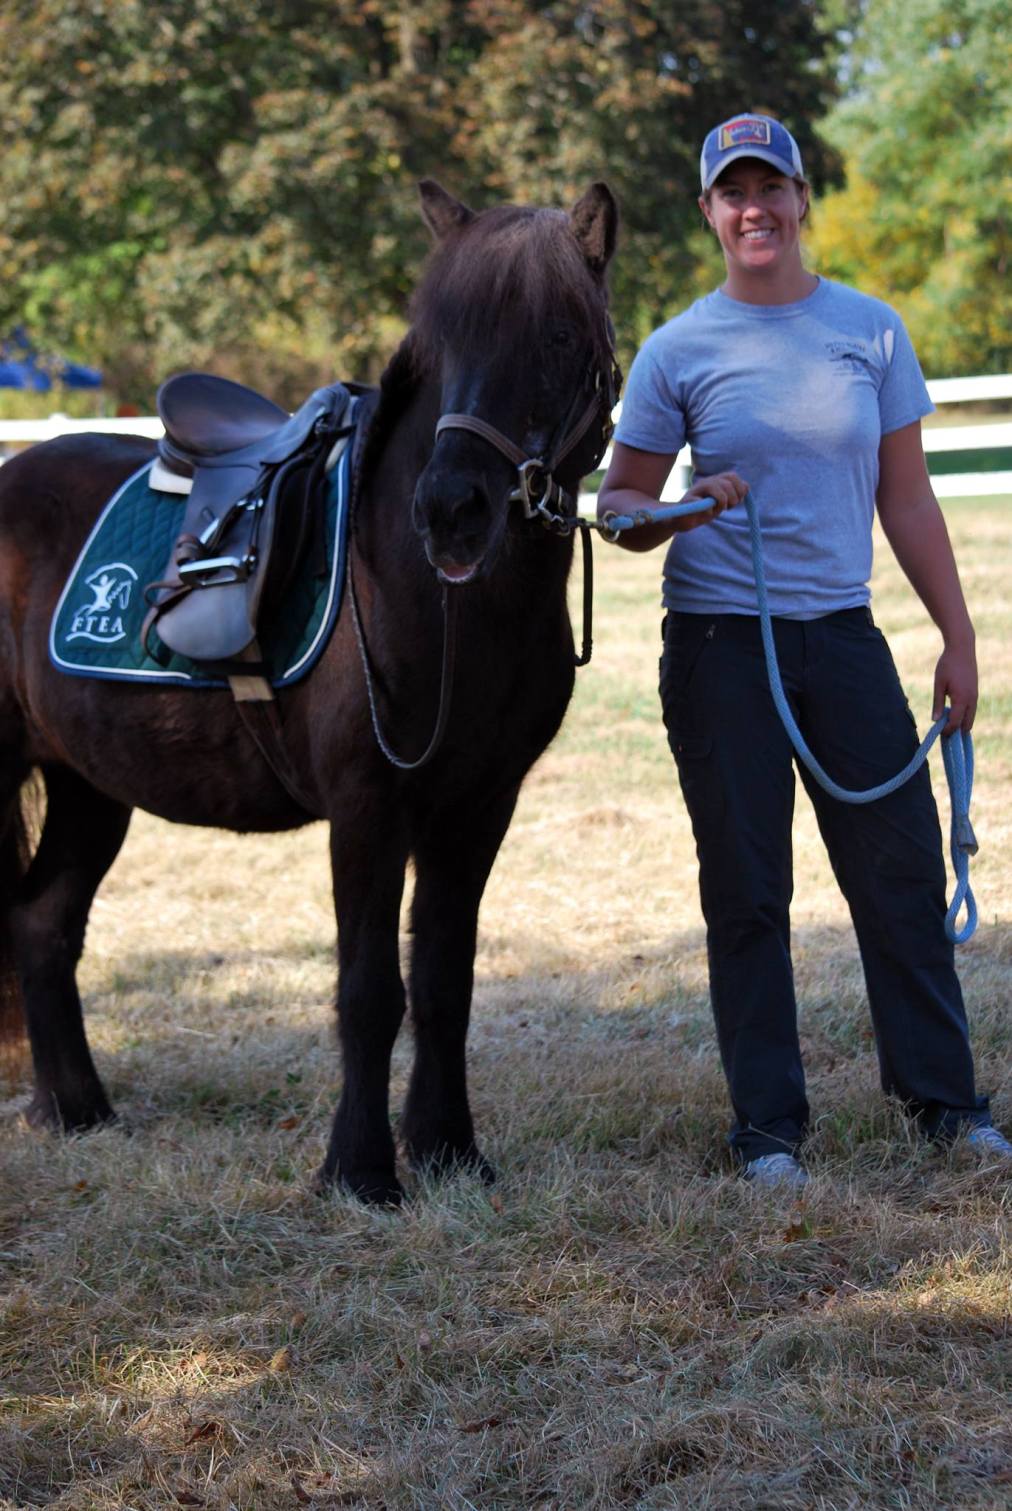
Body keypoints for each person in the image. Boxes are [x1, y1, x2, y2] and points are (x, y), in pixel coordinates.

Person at [598, 113, 1011, 1191]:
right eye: (731, 193)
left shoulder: (869, 330)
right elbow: (619, 508)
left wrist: (958, 639)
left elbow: (906, 497)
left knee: (902, 873)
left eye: (769, 188)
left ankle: (943, 1104)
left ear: (799, 199)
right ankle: (769, 1130)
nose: (753, 209)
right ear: (708, 213)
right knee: (745, 886)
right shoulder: (677, 348)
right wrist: (686, 511)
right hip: (719, 647)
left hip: (841, 637)